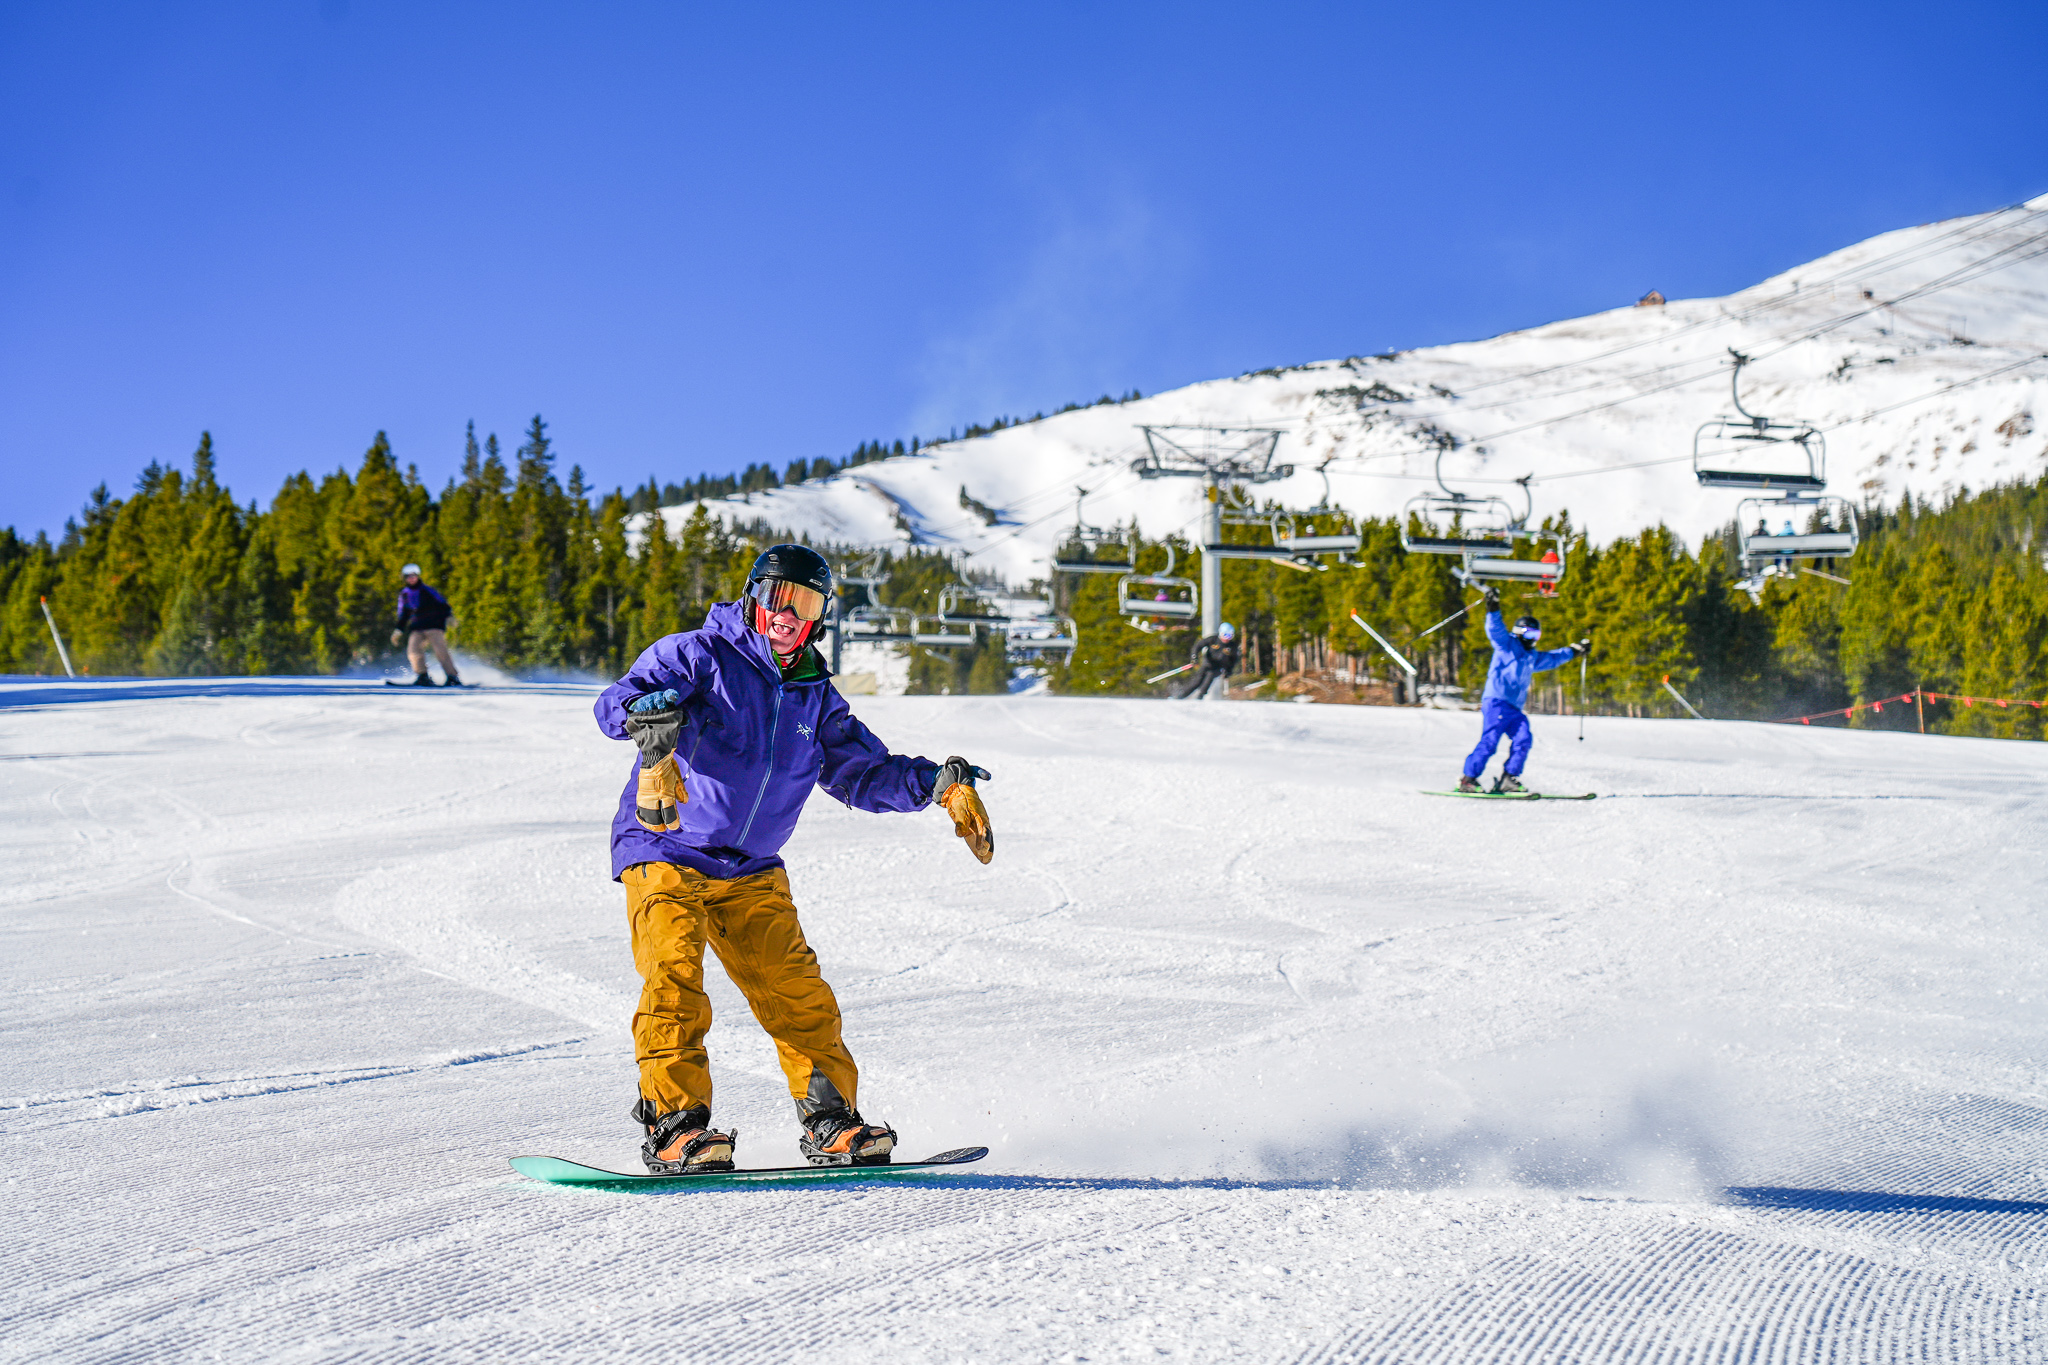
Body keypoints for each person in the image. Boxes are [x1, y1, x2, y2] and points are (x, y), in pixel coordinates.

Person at [593, 544, 995, 1174]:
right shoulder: (699, 654)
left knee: (798, 996)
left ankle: (831, 1124)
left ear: (819, 616)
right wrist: (646, 713)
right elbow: (618, 704)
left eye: (804, 602)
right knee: (672, 980)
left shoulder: (814, 694)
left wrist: (937, 783)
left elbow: (862, 772)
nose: (788, 613)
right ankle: (676, 1129)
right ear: (754, 597)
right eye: (779, 597)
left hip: (752, 869)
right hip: (666, 849)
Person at [1458, 588, 1587, 794]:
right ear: (1519, 633)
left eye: (1536, 634)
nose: (1532, 638)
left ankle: (1509, 778)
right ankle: (1468, 779)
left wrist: (1574, 651)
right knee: (1490, 742)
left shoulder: (1531, 657)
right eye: (1529, 633)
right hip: (1496, 702)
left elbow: (1553, 658)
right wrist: (1493, 607)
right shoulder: (1506, 646)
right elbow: (1495, 629)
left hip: (1514, 708)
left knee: (1523, 738)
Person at [390, 564, 461, 687]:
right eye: (408, 577)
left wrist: (449, 616)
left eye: (413, 576)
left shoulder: (427, 590)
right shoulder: (405, 594)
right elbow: (404, 614)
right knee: (413, 651)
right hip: (417, 627)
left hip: (434, 625)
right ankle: (422, 676)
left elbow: (442, 604)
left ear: (417, 576)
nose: (411, 579)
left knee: (440, 651)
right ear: (405, 578)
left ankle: (452, 676)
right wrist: (398, 630)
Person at [1178, 622, 1240, 700]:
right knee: (1196, 682)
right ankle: (1180, 696)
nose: (1227, 638)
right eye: (1225, 635)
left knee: (1209, 677)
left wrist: (1229, 670)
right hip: (1207, 664)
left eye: (1229, 636)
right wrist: (1194, 657)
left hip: (1219, 667)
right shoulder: (1213, 640)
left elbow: (1234, 660)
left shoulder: (1232, 646)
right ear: (1220, 633)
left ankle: (1200, 697)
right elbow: (1198, 646)